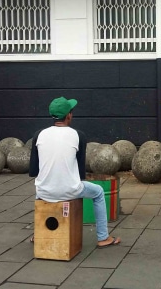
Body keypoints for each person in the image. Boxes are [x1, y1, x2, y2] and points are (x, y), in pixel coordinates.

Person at [29, 96, 120, 248]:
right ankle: (103, 237)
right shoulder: (78, 135)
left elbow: (33, 171)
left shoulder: (38, 135)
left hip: (43, 192)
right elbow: (80, 173)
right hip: (70, 190)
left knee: (41, 189)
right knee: (97, 192)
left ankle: (39, 233)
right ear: (69, 115)